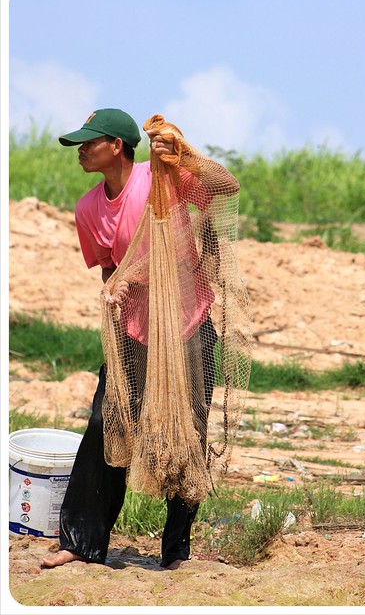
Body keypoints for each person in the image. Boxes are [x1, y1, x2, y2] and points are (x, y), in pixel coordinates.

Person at [40, 108, 240, 571]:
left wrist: (186, 156)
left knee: (187, 434)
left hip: (188, 324)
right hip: (132, 330)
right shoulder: (88, 207)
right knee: (104, 423)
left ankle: (176, 552)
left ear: (117, 145)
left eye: (90, 142)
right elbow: (112, 266)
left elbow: (224, 189)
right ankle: (82, 541)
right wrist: (116, 291)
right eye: (79, 145)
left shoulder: (161, 176)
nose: (82, 151)